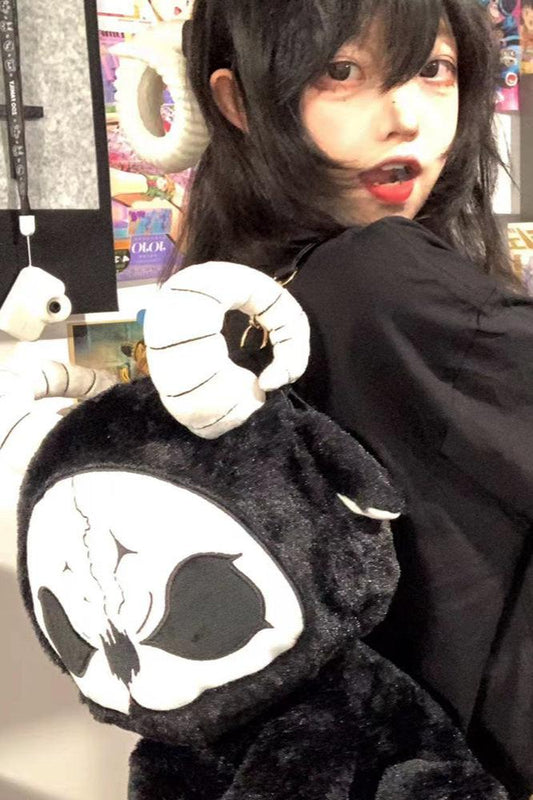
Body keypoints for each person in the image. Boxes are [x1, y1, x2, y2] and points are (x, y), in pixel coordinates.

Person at [166, 1, 533, 797]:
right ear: (238, 102)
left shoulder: (239, 302)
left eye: (433, 69)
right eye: (341, 72)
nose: (405, 118)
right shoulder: (381, 278)